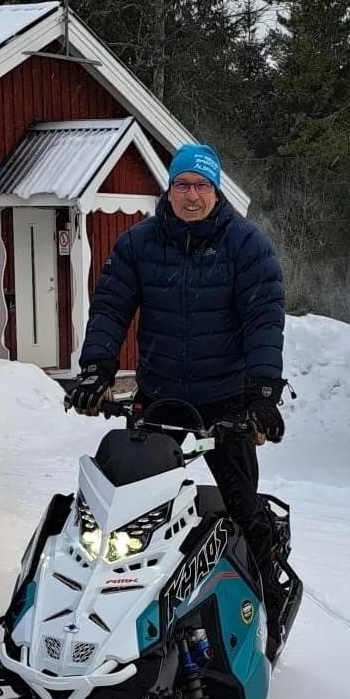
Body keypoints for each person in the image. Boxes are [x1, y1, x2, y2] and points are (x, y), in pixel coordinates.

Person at [65, 141, 290, 653]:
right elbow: (111, 306)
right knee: (127, 509)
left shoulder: (245, 246)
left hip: (226, 402)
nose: (192, 196)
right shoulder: (138, 244)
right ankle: (119, 616)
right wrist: (97, 368)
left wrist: (262, 393)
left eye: (201, 186)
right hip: (160, 398)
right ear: (169, 189)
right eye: (183, 184)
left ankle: (267, 611)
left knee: (241, 508)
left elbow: (263, 318)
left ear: (216, 191)